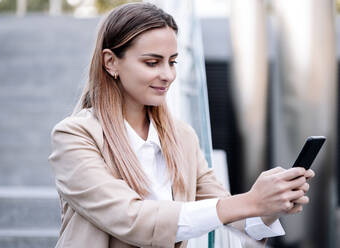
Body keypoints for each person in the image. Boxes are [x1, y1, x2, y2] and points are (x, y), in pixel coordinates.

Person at [48, 2, 314, 248]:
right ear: (110, 62)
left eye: (172, 61)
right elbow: (132, 219)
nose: (167, 75)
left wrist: (268, 206)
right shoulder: (74, 136)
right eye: (152, 62)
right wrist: (248, 201)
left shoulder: (182, 137)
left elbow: (234, 219)